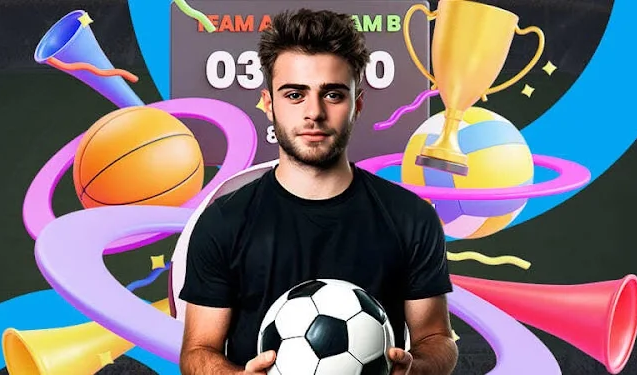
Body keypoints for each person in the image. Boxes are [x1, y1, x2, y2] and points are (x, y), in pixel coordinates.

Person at [177, 8, 458, 375]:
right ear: (268, 102)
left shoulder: (410, 217)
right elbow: (198, 352)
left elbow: (437, 338)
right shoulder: (224, 221)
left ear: (357, 104)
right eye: (295, 94)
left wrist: (416, 368)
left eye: (333, 95)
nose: (314, 112)